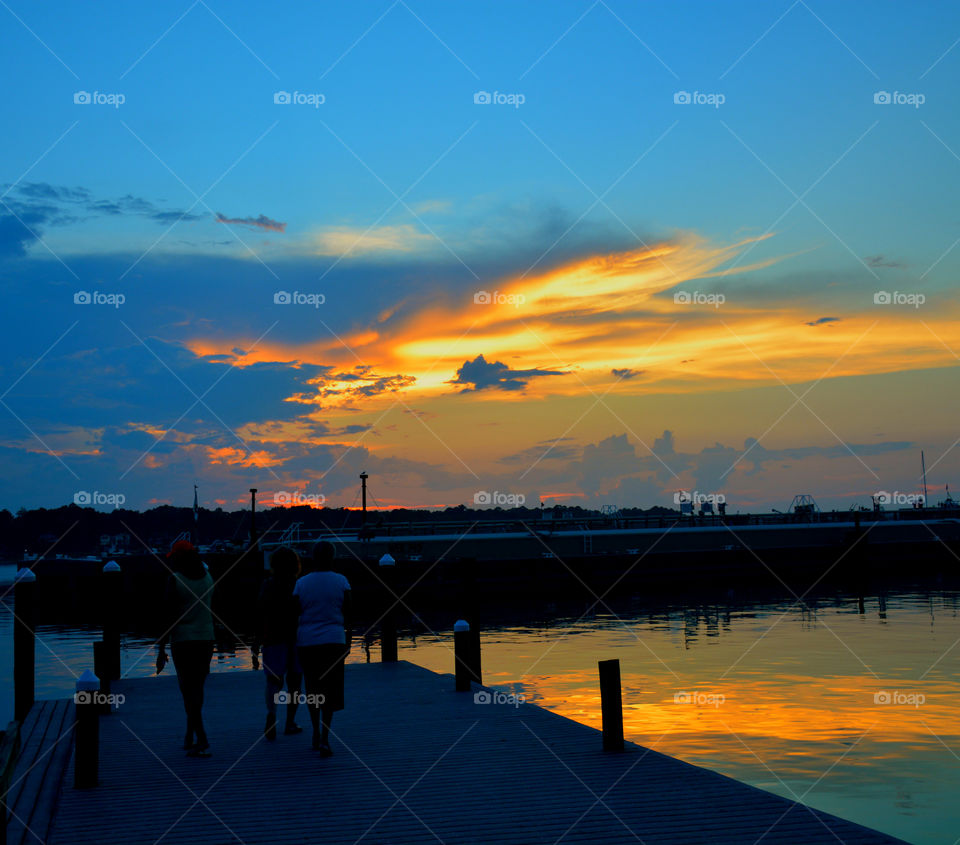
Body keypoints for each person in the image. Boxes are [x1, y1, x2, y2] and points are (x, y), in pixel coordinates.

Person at [156, 540, 215, 757]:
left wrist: (160, 649)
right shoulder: (209, 578)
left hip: (183, 641)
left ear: (180, 558)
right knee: (197, 690)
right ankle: (190, 735)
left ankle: (201, 738)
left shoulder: (175, 580)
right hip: (206, 639)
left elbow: (167, 617)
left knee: (187, 690)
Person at [295, 540, 351, 756]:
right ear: (332, 557)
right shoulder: (342, 581)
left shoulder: (301, 583)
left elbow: (294, 614)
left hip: (307, 641)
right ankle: (326, 736)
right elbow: (349, 613)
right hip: (334, 640)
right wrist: (348, 641)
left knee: (312, 688)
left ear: (313, 557)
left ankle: (315, 731)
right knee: (331, 689)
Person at [252, 546, 303, 740]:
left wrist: (257, 640)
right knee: (295, 682)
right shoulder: (299, 585)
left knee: (273, 681)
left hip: (272, 637)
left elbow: (260, 611)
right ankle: (290, 722)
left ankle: (272, 715)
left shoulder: (268, 584)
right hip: (297, 638)